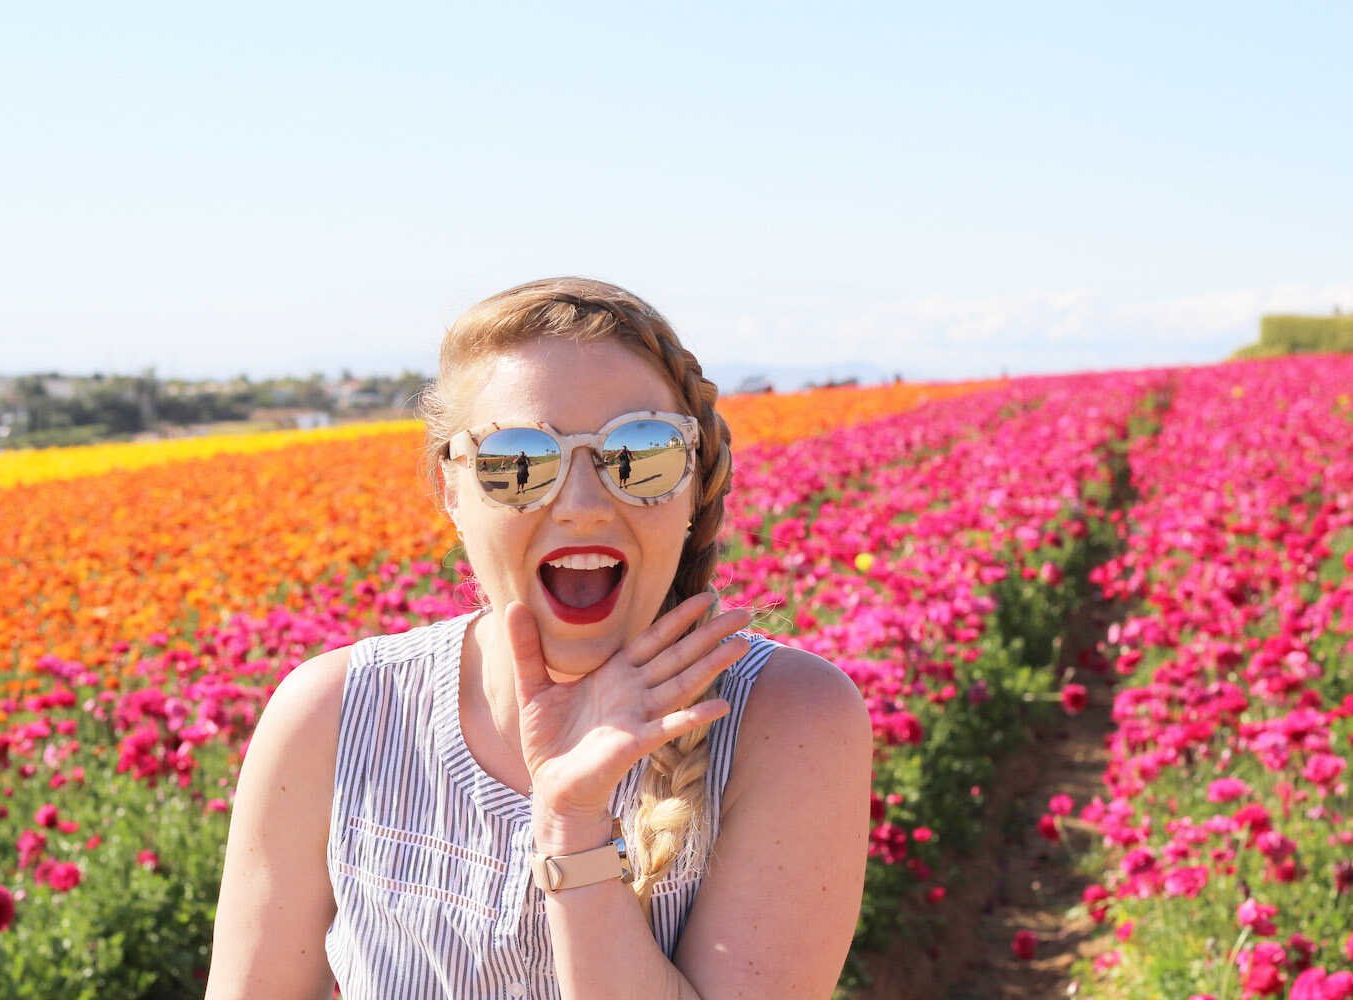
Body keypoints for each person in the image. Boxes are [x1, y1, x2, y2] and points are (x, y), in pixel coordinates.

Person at [206, 277, 872, 999]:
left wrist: (573, 826)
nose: (583, 506)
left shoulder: (789, 720)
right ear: (450, 490)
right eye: (518, 461)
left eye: (639, 452)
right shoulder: (334, 716)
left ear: (692, 483)